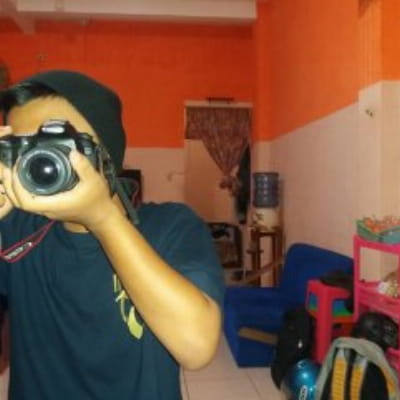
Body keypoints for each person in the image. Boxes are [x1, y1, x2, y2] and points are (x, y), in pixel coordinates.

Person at [0, 70, 225, 399]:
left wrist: (103, 218)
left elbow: (196, 347)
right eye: (23, 148)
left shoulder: (171, 226)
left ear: (105, 154)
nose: (37, 161)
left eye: (53, 143)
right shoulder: (15, 227)